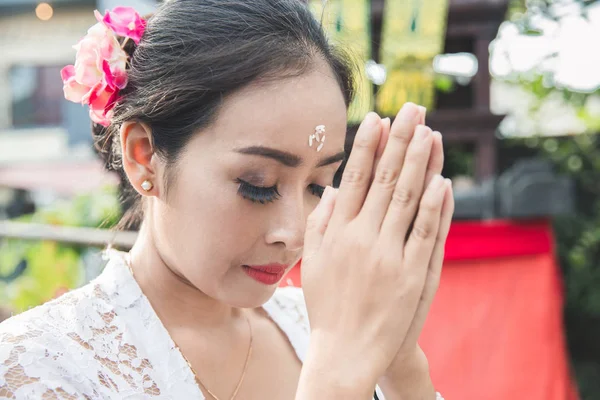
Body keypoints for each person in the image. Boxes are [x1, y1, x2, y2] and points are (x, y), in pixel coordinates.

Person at [0, 1, 454, 399]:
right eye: (257, 184)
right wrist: (333, 381)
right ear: (144, 157)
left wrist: (400, 367)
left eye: (318, 186)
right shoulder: (40, 366)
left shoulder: (324, 323)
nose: (295, 233)